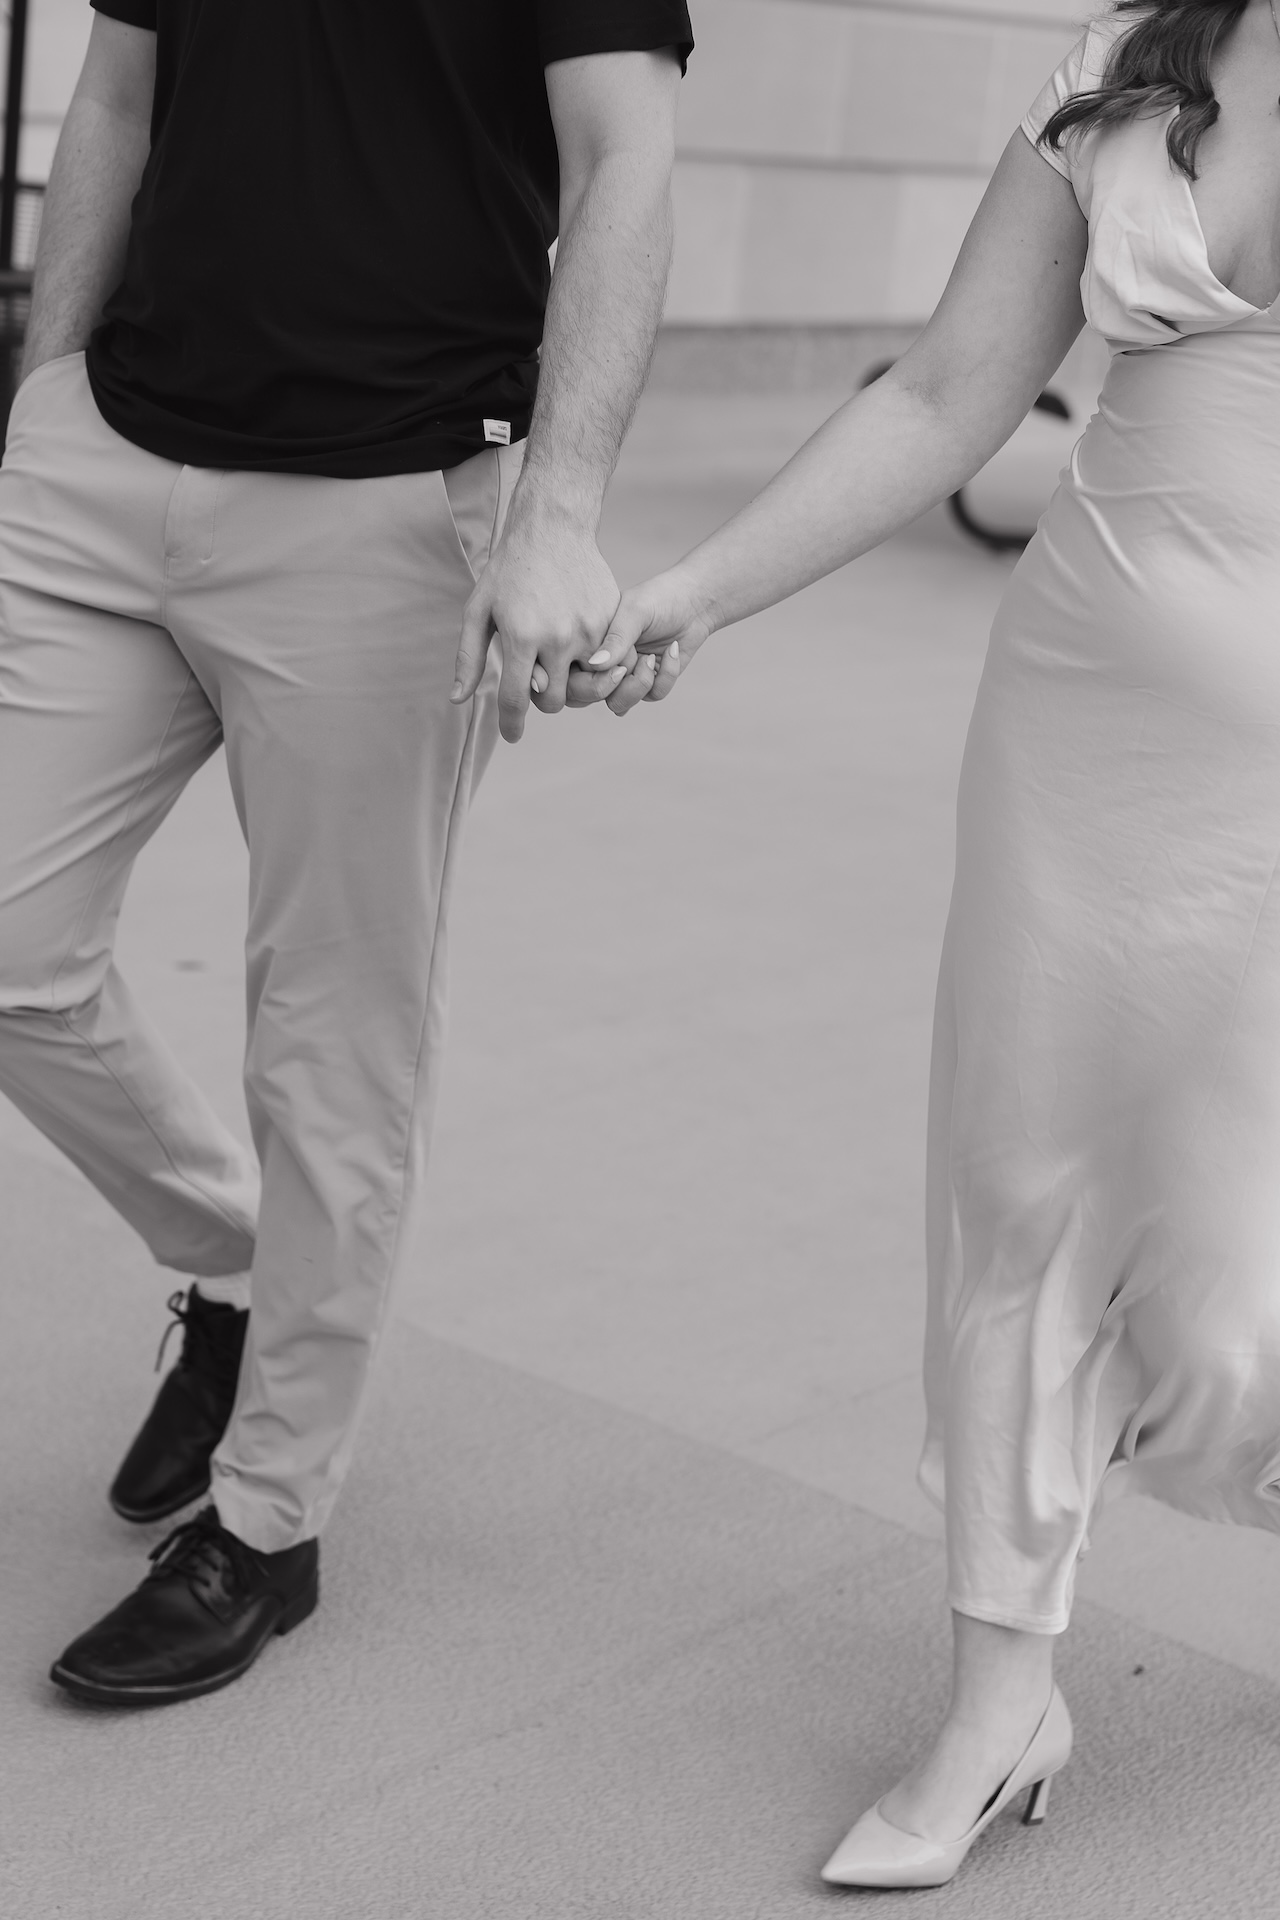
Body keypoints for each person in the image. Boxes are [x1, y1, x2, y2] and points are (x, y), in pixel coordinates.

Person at [589, 0, 1280, 1888]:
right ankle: (1000, 1697)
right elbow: (944, 394)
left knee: (1235, 1294)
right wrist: (698, 592)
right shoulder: (1134, 54)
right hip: (1083, 736)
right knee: (1018, 1191)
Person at [2, 0, 691, 1708]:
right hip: (103, 467)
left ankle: (267, 1518)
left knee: (331, 1046)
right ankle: (233, 1260)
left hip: (387, 505)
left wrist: (558, 516)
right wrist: (44, 399)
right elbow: (116, 98)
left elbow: (624, 161)